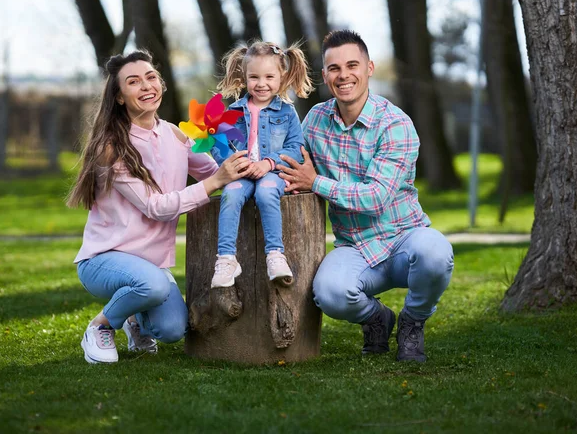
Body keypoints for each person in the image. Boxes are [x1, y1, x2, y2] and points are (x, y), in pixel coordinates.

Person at [277, 30, 454, 362]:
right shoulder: (315, 121)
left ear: (369, 68)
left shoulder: (395, 125)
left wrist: (315, 182)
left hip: (404, 241)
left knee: (436, 252)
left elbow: (375, 199)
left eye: (352, 65)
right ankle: (377, 319)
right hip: (355, 246)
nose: (343, 75)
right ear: (325, 76)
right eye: (334, 68)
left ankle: (412, 323)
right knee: (329, 293)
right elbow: (292, 164)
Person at [66, 50, 250, 364]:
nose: (146, 85)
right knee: (149, 285)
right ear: (120, 97)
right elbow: (157, 207)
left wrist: (252, 172)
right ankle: (101, 325)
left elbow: (211, 171)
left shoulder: (176, 135)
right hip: (104, 259)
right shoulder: (111, 147)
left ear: (161, 84)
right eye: (133, 82)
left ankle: (136, 321)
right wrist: (217, 181)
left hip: (151, 267)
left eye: (151, 77)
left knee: (171, 329)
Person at [209, 41, 313, 300]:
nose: (261, 83)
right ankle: (226, 258)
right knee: (231, 194)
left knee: (267, 193)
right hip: (243, 175)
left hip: (272, 174)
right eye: (254, 77)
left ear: (282, 77)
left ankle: (275, 255)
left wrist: (269, 163)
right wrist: (234, 162)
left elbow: (295, 145)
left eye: (269, 76)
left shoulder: (287, 113)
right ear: (244, 78)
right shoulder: (232, 112)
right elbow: (219, 145)